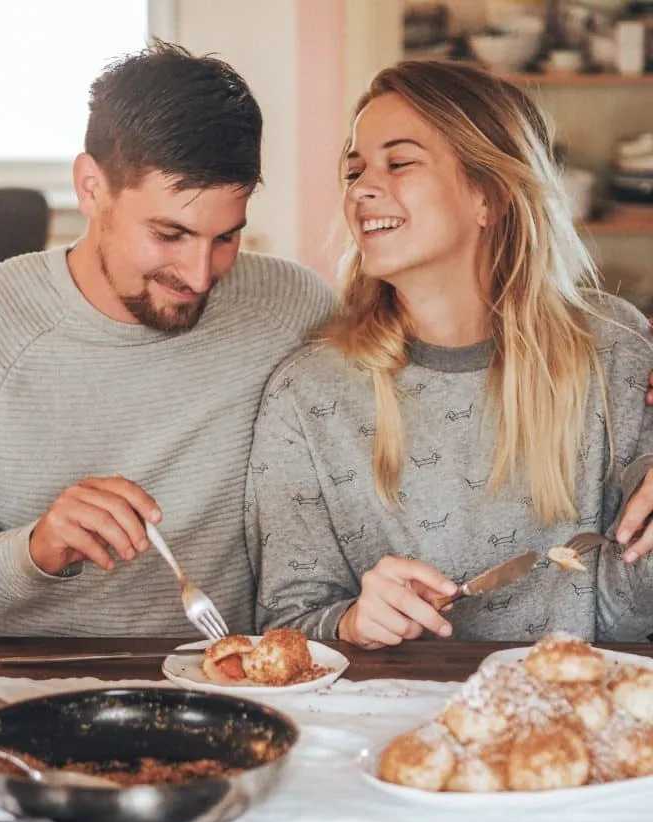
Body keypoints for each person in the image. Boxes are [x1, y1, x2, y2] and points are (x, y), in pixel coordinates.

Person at [0, 42, 334, 636]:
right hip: (24, 694)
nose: (199, 276)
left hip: (224, 687)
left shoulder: (294, 308)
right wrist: (33, 552)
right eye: (169, 233)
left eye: (225, 238)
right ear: (91, 188)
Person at [246, 58, 653, 647]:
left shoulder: (616, 349)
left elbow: (631, 625)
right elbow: (286, 627)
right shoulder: (306, 393)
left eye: (400, 162)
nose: (361, 188)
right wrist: (352, 622)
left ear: (488, 195)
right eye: (354, 170)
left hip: (579, 714)